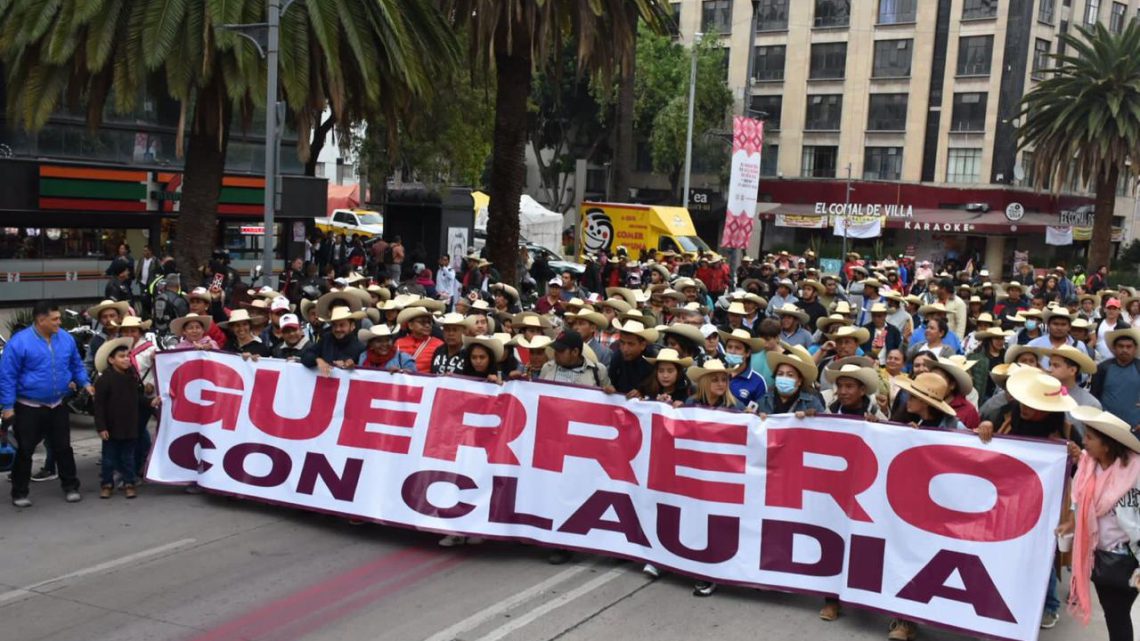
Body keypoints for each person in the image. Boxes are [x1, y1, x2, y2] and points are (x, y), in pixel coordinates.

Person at [1059, 409, 1140, 641]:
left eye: (1090, 437)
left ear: (1107, 445)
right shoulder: (1088, 466)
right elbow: (1080, 499)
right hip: (1099, 557)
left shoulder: (1135, 471)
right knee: (1115, 614)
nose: (1084, 441)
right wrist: (1071, 523)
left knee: (1117, 616)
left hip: (1130, 560)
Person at [1, 301, 92, 506]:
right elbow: (7, 377)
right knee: (25, 449)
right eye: (55, 319)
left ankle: (70, 486)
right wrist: (7, 407)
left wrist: (85, 382)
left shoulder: (66, 339)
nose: (59, 322)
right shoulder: (19, 343)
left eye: (59, 318)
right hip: (29, 406)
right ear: (41, 320)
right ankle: (19, 492)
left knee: (63, 447)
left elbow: (76, 364)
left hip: (58, 404)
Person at [683, 359, 747, 597]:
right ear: (704, 382)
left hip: (724, 475)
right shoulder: (690, 404)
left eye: (724, 379)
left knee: (717, 523)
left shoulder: (737, 407)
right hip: (696, 472)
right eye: (716, 379)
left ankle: (709, 574)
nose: (721, 383)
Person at [92, 338, 139, 499]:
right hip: (111, 427)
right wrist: (101, 427)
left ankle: (129, 483)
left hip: (129, 425)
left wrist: (150, 401)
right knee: (108, 459)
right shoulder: (105, 380)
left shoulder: (132, 377)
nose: (126, 359)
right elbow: (98, 406)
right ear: (111, 360)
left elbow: (137, 398)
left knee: (128, 458)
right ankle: (107, 484)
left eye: (127, 355)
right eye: (121, 356)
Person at [1091, 329, 1140, 432]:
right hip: (1107, 425)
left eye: (1129, 347)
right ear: (1114, 348)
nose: (1124, 350)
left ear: (1135, 349)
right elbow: (1094, 397)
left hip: (1135, 427)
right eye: (1121, 346)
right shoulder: (1103, 368)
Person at [301, 307, 366, 376]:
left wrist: (353, 366)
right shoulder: (326, 338)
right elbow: (306, 355)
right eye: (334, 325)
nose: (338, 329)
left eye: (342, 325)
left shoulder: (360, 348)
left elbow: (365, 373)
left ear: (352, 326)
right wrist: (317, 360)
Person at [758, 349, 824, 416]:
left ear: (799, 381)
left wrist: (814, 417)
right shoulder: (763, 401)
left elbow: (824, 423)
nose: (784, 378)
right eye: (780, 374)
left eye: (790, 375)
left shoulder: (811, 403)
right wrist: (753, 415)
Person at [539, 330, 610, 388]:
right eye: (555, 349)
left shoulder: (598, 371)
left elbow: (607, 400)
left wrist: (609, 392)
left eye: (561, 350)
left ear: (575, 352)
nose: (556, 353)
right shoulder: (547, 368)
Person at [717, 328, 768, 404]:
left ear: (747, 353)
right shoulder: (716, 373)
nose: (732, 351)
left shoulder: (758, 382)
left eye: (738, 348)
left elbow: (761, 412)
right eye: (729, 347)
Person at [394, 306, 444, 374]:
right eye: (422, 322)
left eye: (429, 322)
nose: (427, 325)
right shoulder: (399, 343)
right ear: (410, 325)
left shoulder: (439, 344)